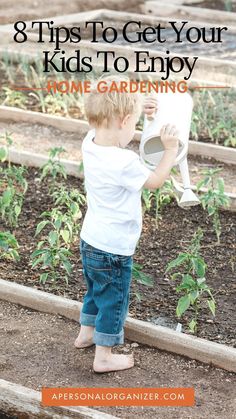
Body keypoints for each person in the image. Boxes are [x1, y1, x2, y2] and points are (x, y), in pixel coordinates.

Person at [74, 75, 179, 373]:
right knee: (114, 300)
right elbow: (156, 181)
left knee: (96, 290)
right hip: (113, 248)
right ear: (123, 120)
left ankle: (87, 333)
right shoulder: (125, 163)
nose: (133, 131)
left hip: (90, 239)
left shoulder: (89, 141)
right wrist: (169, 149)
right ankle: (104, 356)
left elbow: (111, 121)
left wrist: (143, 114)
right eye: (133, 123)